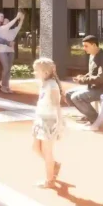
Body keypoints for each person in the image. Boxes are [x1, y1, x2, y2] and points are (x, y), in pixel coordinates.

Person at [65, 35, 103, 125]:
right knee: (68, 94)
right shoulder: (92, 55)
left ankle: (95, 119)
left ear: (94, 45)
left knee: (76, 97)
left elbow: (100, 78)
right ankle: (88, 115)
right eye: (83, 46)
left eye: (86, 46)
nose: (84, 48)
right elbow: (92, 72)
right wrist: (83, 77)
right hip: (93, 87)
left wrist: (82, 80)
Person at [32, 57, 64, 189]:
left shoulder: (52, 85)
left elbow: (57, 105)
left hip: (49, 121)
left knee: (47, 151)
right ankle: (54, 165)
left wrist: (59, 123)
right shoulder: (44, 83)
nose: (34, 73)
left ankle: (49, 180)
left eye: (36, 70)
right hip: (40, 118)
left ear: (45, 72)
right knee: (35, 148)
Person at [0, 11, 25, 94]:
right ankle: (3, 86)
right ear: (3, 23)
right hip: (2, 51)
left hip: (11, 51)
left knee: (8, 69)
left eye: (8, 21)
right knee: (6, 68)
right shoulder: (1, 29)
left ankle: (7, 86)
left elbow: (19, 26)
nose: (7, 22)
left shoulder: (12, 31)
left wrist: (22, 19)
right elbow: (10, 25)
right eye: (5, 21)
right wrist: (16, 17)